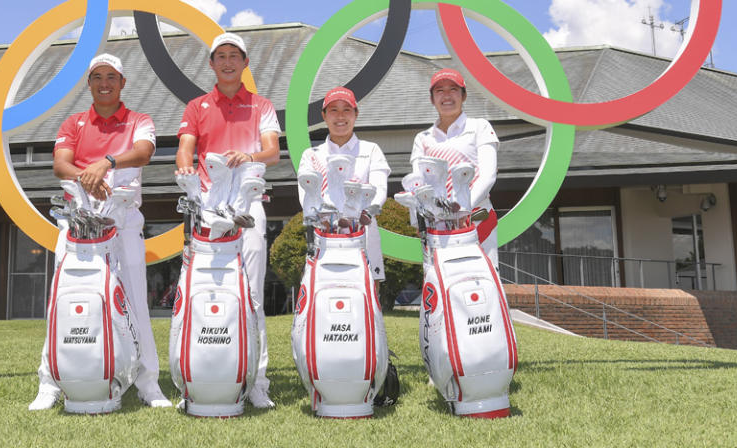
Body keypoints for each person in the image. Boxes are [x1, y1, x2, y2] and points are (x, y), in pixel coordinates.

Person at [29, 53, 171, 410]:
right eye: (97, 77)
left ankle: (148, 382)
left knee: (135, 299)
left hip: (123, 222)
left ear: (122, 83)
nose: (104, 83)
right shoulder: (73, 123)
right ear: (88, 83)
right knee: (60, 301)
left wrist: (103, 163)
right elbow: (60, 164)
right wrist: (86, 177)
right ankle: (49, 383)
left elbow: (142, 153)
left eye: (111, 76)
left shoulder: (139, 120)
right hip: (77, 222)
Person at [175, 32, 280, 409]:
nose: (228, 61)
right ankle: (198, 375)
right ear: (212, 64)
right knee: (202, 293)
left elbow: (272, 152)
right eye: (221, 56)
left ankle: (257, 380)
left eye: (235, 55)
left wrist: (246, 154)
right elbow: (185, 150)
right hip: (207, 207)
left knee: (251, 296)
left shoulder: (260, 105)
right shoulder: (197, 106)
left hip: (248, 205)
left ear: (245, 63)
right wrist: (185, 170)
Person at [297, 87, 390, 285]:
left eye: (346, 109)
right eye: (333, 110)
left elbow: (379, 190)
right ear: (324, 115)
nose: (340, 116)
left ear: (356, 114)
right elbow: (306, 199)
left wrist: (362, 214)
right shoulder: (311, 154)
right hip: (323, 239)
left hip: (363, 237)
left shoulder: (371, 150)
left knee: (368, 304)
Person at [411, 68, 500, 266]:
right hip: (437, 228)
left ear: (464, 95)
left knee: (482, 287)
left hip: (477, 220)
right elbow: (417, 183)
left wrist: (461, 210)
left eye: (453, 89)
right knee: (442, 287)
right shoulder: (423, 138)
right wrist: (418, 220)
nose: (447, 95)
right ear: (432, 99)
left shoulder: (480, 127)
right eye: (440, 91)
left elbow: (488, 176)